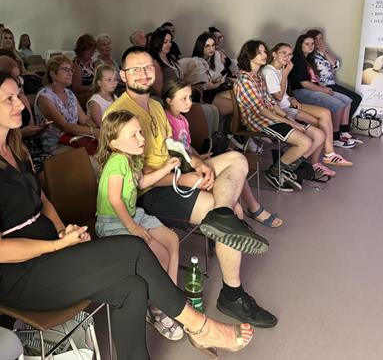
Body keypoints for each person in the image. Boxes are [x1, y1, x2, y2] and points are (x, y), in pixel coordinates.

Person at [0, 70, 254, 360]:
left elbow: (42, 200)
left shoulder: (15, 151)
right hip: (19, 276)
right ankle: (200, 327)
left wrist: (62, 229)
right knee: (134, 248)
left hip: (49, 254)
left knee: (133, 287)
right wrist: (58, 245)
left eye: (19, 96)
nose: (21, 105)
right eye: (9, 99)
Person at [106, 46, 277, 328]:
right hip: (150, 193)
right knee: (232, 209)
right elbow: (132, 179)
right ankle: (232, 295)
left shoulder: (156, 107)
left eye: (148, 67)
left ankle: (222, 217)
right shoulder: (119, 115)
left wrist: (197, 163)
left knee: (237, 160)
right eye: (134, 69)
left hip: (176, 173)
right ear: (123, 75)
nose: (143, 73)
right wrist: (181, 179)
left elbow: (176, 147)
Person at [95, 110, 185, 341]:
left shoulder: (131, 158)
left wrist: (166, 167)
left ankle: (170, 299)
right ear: (114, 143)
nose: (141, 139)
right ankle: (159, 309)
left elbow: (142, 182)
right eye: (133, 135)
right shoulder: (117, 161)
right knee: (161, 257)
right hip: (114, 223)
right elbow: (115, 199)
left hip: (133, 215)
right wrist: (133, 228)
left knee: (172, 240)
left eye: (140, 132)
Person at [163, 79, 283, 228]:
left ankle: (250, 210)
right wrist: (196, 160)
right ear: (169, 100)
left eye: (190, 97)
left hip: (193, 162)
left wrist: (198, 157)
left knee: (236, 169)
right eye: (183, 99)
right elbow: (175, 151)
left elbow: (187, 146)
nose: (189, 102)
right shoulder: (166, 121)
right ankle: (251, 210)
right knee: (234, 167)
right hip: (183, 169)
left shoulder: (182, 119)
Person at [234, 40, 325, 191]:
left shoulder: (257, 77)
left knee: (316, 136)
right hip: (259, 121)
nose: (264, 54)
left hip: (271, 117)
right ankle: (275, 173)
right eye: (259, 52)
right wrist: (289, 121)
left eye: (264, 51)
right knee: (305, 142)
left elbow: (271, 103)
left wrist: (288, 118)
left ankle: (285, 169)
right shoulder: (245, 80)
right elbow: (261, 110)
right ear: (249, 55)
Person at [261, 43, 352, 176]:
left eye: (289, 54)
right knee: (321, 127)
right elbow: (278, 97)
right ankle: (316, 162)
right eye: (283, 53)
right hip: (282, 110)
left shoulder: (281, 69)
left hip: (289, 104)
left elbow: (284, 94)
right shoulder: (269, 71)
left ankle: (328, 154)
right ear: (274, 54)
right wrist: (286, 74)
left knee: (325, 114)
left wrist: (292, 98)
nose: (287, 57)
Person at [288, 34, 358, 148]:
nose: (310, 46)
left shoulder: (309, 59)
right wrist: (323, 90)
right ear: (300, 45)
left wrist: (323, 87)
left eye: (312, 44)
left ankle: (343, 132)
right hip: (301, 92)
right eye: (307, 44)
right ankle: (335, 137)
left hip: (313, 89)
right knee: (338, 105)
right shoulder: (298, 60)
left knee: (347, 100)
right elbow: (305, 84)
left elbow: (315, 79)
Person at [0, 55, 49, 172]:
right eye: (14, 77)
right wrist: (21, 133)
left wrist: (40, 129)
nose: (19, 82)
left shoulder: (22, 98)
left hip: (29, 148)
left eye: (19, 77)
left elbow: (32, 129)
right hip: (11, 153)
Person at [35, 55, 99, 155]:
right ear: (53, 74)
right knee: (91, 156)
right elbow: (65, 126)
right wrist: (94, 132)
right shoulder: (44, 97)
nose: (70, 73)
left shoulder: (69, 93)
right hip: (55, 145)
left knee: (102, 149)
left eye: (71, 70)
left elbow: (84, 119)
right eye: (65, 70)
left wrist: (98, 129)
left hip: (73, 139)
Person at [306, 29, 362, 118]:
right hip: (324, 85)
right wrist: (321, 87)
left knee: (357, 98)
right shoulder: (309, 55)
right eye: (316, 39)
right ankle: (344, 124)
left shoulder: (321, 53)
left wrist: (325, 52)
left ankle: (344, 123)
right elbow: (311, 76)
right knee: (353, 100)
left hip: (332, 83)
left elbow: (336, 65)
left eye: (321, 38)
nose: (318, 41)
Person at [149, 28, 184, 97]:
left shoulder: (172, 58)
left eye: (170, 41)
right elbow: (159, 90)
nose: (169, 44)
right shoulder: (155, 63)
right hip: (167, 98)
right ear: (157, 43)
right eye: (165, 42)